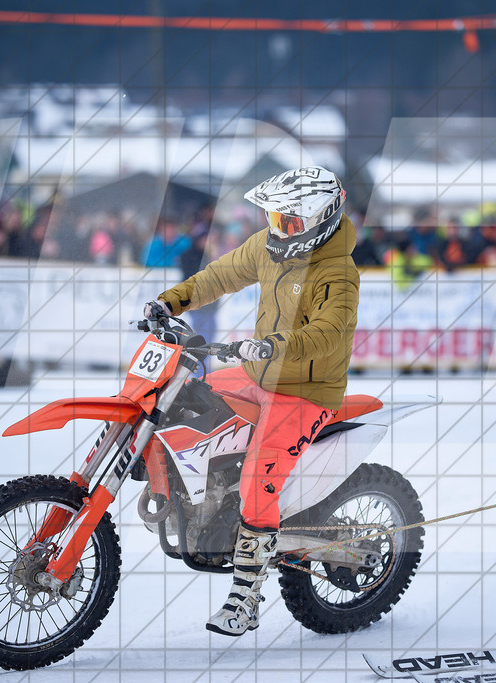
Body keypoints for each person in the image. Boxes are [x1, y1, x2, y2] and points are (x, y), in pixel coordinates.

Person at [142, 166, 358, 638]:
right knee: (190, 400)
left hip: (305, 389)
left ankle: (246, 599)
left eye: (291, 222)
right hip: (260, 372)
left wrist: (276, 345)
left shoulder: (337, 271)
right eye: (274, 217)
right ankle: (203, 504)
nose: (279, 228)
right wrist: (171, 302)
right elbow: (221, 274)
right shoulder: (267, 245)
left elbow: (329, 329)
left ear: (322, 219)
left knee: (258, 475)